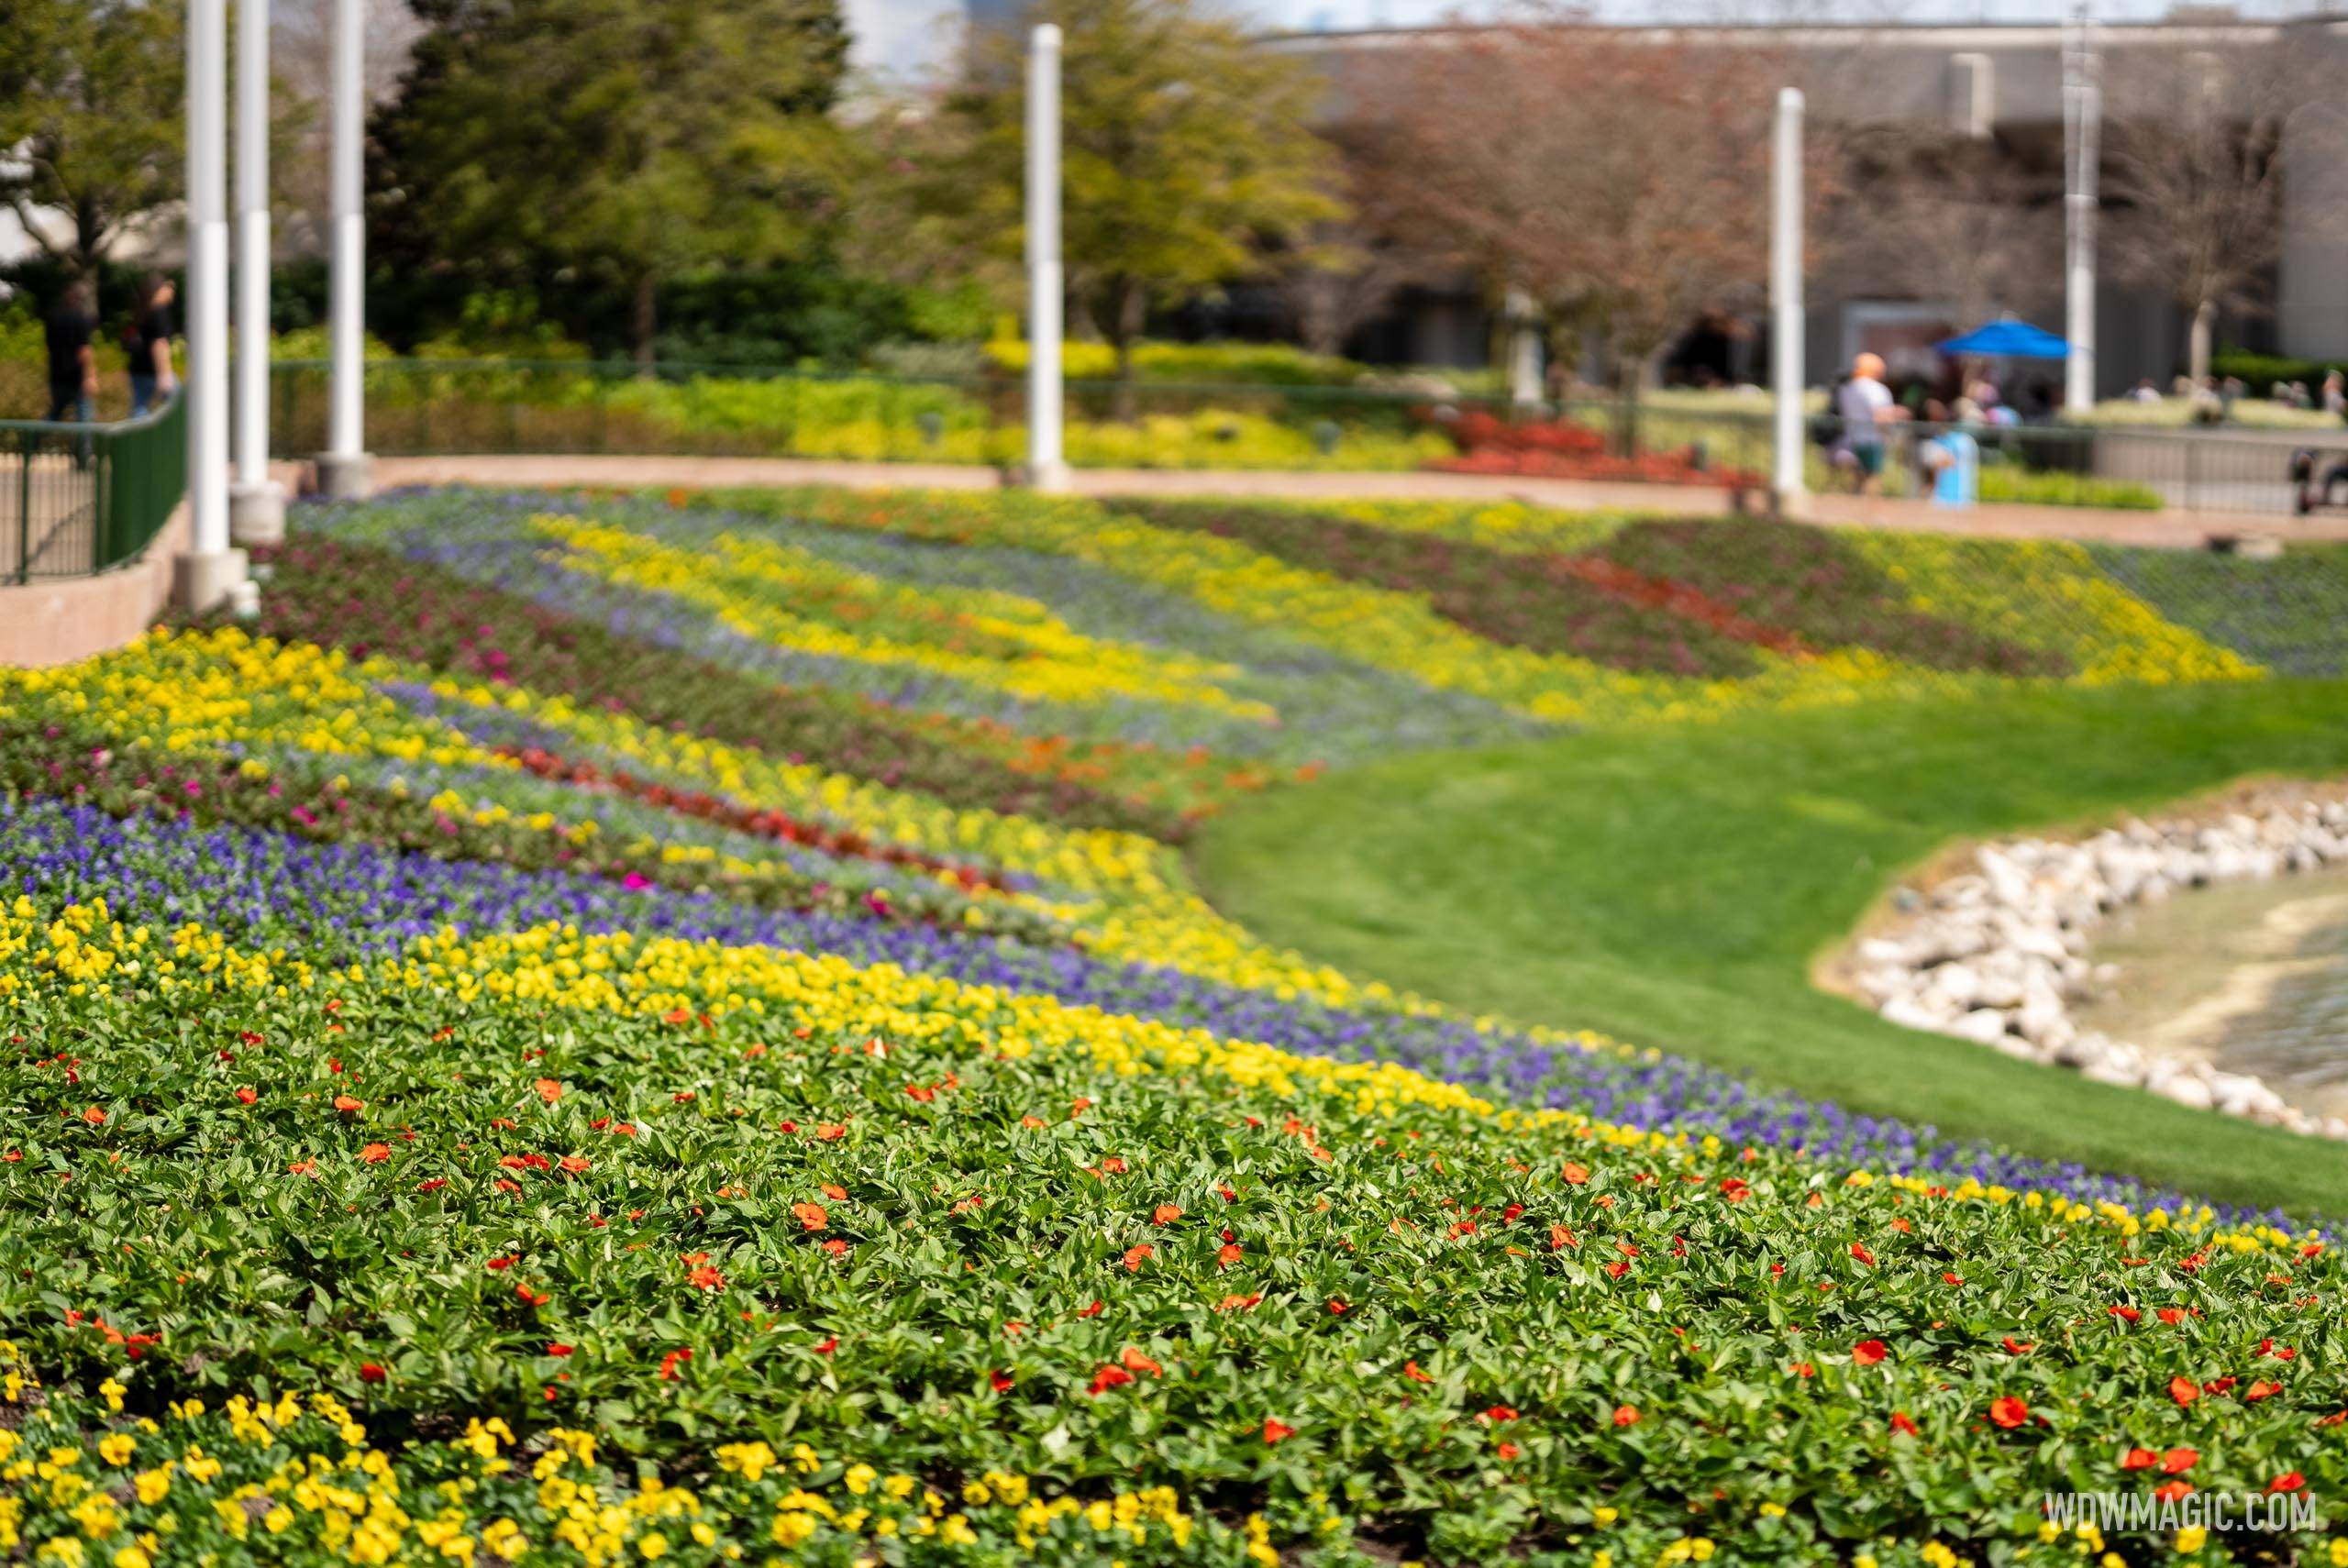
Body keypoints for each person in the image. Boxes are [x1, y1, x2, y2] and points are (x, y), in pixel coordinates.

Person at [1835, 351, 1903, 494]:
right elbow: (1881, 415)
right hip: (1872, 439)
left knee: (1857, 479)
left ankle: (1856, 511)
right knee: (1872, 479)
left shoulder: (1847, 389)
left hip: (1852, 438)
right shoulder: (1875, 389)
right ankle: (1871, 513)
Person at [43, 280, 97, 425]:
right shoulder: (81, 318)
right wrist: (89, 376)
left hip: (57, 374)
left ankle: (32, 442)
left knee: (55, 412)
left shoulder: (53, 317)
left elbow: (49, 347)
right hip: (76, 377)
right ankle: (85, 449)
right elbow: (84, 350)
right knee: (85, 416)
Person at [124, 273, 178, 415]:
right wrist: (164, 374)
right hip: (153, 371)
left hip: (138, 369)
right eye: (169, 287)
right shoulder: (159, 311)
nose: (172, 291)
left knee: (139, 409)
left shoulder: (143, 309)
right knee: (177, 403)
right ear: (160, 289)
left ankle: (136, 436)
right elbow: (159, 343)